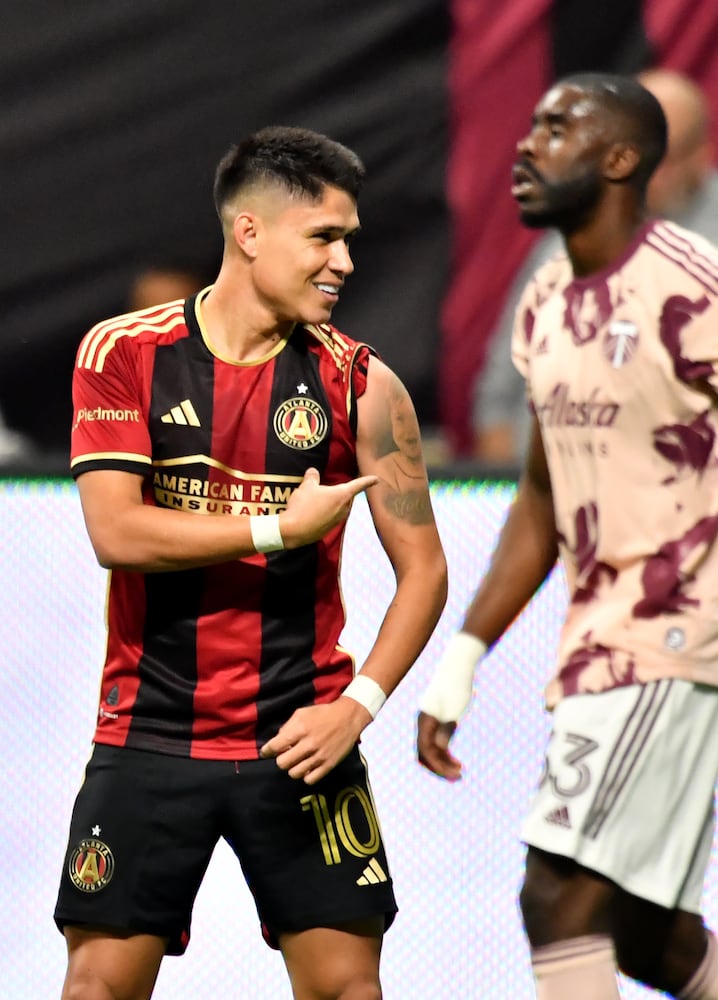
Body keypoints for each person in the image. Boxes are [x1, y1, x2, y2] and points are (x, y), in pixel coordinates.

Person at [54, 125, 448, 1000]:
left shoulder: (364, 385)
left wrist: (357, 707)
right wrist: (276, 529)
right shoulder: (123, 354)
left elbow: (425, 570)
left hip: (301, 736)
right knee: (95, 988)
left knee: (350, 990)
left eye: (349, 238)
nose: (345, 262)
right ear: (250, 233)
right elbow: (117, 534)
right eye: (324, 237)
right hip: (150, 732)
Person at [418, 73, 718, 999]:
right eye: (531, 124)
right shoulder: (546, 300)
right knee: (643, 936)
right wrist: (464, 655)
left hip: (678, 636)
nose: (526, 144)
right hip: (594, 645)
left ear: (621, 158)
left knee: (557, 895)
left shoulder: (693, 286)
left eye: (556, 128)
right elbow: (542, 498)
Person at [472, 66, 718, 469]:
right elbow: (498, 396)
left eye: (661, 159)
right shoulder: (569, 241)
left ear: (701, 155)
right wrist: (507, 485)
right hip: (555, 476)